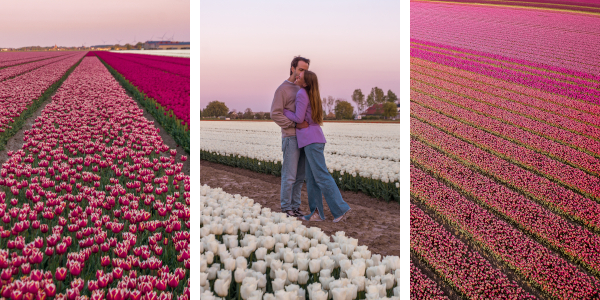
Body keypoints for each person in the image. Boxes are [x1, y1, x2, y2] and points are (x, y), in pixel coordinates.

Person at [283, 70, 352, 223]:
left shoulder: (302, 93)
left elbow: (298, 118)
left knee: (321, 176)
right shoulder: (311, 93)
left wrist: (285, 112)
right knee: (312, 178)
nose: (297, 76)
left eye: (300, 76)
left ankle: (340, 209)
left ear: (305, 83)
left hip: (310, 140)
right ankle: (316, 213)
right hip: (313, 139)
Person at [270, 56, 310, 218]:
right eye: (300, 69)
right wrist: (293, 125)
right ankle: (286, 207)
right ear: (292, 68)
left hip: (304, 138)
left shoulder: (305, 89)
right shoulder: (283, 89)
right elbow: (275, 113)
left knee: (300, 176)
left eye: (306, 71)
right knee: (290, 175)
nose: (302, 73)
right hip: (291, 137)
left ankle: (295, 206)